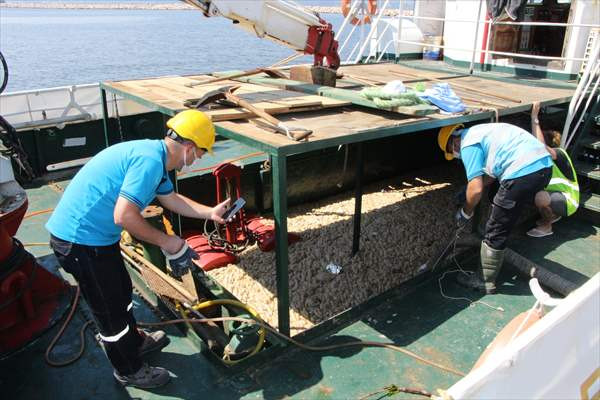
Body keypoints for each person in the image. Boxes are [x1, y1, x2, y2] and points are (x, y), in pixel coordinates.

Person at [46, 110, 229, 389]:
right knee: (110, 312)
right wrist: (168, 242)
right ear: (189, 147)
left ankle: (134, 341)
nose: (197, 160)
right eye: (200, 154)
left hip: (99, 239)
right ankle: (129, 370)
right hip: (79, 242)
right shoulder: (149, 162)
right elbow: (125, 216)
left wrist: (211, 213)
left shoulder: (156, 156)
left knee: (121, 292)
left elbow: (171, 199)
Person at [438, 121, 553, 294]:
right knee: (501, 202)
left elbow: (475, 189)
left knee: (496, 228)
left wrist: (465, 212)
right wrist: (470, 190)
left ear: (453, 143)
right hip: (543, 167)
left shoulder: (468, 144)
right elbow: (490, 176)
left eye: (453, 153)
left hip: (522, 172)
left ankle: (483, 280)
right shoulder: (481, 133)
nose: (456, 155)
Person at [526, 101, 579, 237]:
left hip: (569, 202)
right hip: (557, 195)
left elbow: (540, 146)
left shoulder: (560, 154)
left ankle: (546, 226)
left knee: (540, 197)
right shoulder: (544, 160)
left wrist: (534, 119)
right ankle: (553, 214)